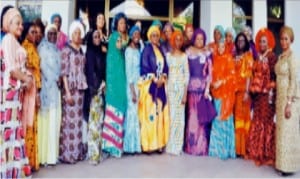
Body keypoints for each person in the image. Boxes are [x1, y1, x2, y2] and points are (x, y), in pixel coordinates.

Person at [1, 7, 32, 178]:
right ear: (8, 24)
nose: (21, 26)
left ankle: (14, 171)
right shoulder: (8, 39)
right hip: (10, 92)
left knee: (14, 132)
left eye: (21, 23)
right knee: (10, 132)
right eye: (17, 23)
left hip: (15, 93)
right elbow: (12, 69)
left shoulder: (14, 40)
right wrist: (26, 79)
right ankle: (9, 172)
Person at [246, 28, 277, 166]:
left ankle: (266, 153)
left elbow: (274, 76)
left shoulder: (272, 57)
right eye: (260, 41)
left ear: (269, 42)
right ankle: (256, 151)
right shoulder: (258, 56)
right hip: (257, 96)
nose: (262, 43)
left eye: (264, 41)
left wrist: (270, 90)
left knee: (266, 122)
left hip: (267, 95)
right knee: (257, 120)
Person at [59, 20, 87, 164]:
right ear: (71, 34)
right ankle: (68, 155)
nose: (77, 35)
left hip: (80, 89)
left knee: (78, 123)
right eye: (75, 33)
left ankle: (77, 153)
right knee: (69, 122)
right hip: (70, 89)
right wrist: (67, 92)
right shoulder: (66, 50)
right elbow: (63, 73)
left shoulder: (81, 50)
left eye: (79, 33)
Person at [184, 28, 216, 156]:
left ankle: (201, 148)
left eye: (201, 39)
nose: (199, 41)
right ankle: (191, 147)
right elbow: (185, 72)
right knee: (192, 118)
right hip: (191, 90)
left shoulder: (207, 53)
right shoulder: (188, 52)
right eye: (197, 38)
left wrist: (207, 89)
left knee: (202, 119)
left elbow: (210, 73)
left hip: (203, 91)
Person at [138, 25, 170, 153]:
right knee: (151, 115)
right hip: (150, 86)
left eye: (157, 35)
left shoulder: (161, 49)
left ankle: (159, 143)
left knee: (160, 114)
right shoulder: (146, 50)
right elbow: (144, 68)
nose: (156, 37)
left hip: (161, 85)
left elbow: (166, 67)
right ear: (150, 37)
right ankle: (149, 145)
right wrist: (154, 79)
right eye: (153, 35)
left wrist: (163, 78)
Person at [101, 13, 128, 158]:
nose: (122, 26)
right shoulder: (116, 37)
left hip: (120, 77)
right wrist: (124, 42)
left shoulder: (119, 37)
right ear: (116, 24)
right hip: (114, 79)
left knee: (118, 109)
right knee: (114, 109)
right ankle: (113, 147)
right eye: (120, 23)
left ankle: (115, 146)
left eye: (124, 23)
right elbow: (119, 45)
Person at [274, 26, 300, 176]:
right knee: (281, 132)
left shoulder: (292, 57)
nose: (283, 42)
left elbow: (294, 81)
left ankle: (289, 166)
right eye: (282, 39)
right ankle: (281, 164)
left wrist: (289, 103)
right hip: (280, 97)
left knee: (288, 132)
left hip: (289, 99)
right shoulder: (281, 56)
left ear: (291, 40)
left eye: (286, 39)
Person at [37, 24, 62, 165]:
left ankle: (53, 157)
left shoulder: (56, 49)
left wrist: (59, 78)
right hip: (47, 91)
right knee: (47, 124)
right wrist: (56, 77)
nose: (52, 36)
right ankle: (45, 157)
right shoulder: (43, 49)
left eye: (54, 34)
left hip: (56, 91)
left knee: (55, 122)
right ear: (46, 35)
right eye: (50, 33)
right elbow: (44, 69)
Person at [208, 39, 236, 160]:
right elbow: (211, 74)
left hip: (226, 95)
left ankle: (225, 150)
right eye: (218, 47)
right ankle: (216, 150)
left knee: (224, 121)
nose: (220, 49)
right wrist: (213, 84)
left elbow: (232, 76)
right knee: (217, 121)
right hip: (217, 95)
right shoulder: (215, 59)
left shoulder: (229, 59)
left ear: (226, 47)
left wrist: (222, 82)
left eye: (222, 47)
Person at [21, 22, 41, 171]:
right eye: (32, 32)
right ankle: (26, 161)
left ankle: (30, 161)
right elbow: (29, 71)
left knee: (32, 123)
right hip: (29, 90)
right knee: (27, 123)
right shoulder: (25, 47)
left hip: (33, 88)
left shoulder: (32, 46)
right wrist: (38, 92)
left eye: (36, 32)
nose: (35, 35)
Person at [165, 31, 189, 155]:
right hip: (170, 89)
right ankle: (170, 145)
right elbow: (166, 74)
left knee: (180, 119)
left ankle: (178, 146)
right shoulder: (168, 56)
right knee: (171, 117)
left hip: (180, 89)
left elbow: (187, 76)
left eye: (180, 40)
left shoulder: (184, 56)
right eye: (176, 39)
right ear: (172, 40)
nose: (178, 42)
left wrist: (185, 94)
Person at [84, 29, 106, 164]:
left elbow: (102, 70)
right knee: (94, 124)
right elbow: (90, 72)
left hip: (100, 90)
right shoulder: (90, 52)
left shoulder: (100, 52)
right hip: (94, 92)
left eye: (99, 37)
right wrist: (97, 88)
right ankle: (93, 155)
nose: (97, 39)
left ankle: (96, 152)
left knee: (98, 123)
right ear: (91, 39)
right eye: (95, 37)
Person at [233, 32, 253, 157]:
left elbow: (248, 76)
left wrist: (247, 92)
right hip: (235, 93)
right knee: (237, 119)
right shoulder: (235, 56)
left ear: (246, 42)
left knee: (244, 120)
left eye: (243, 40)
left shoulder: (248, 56)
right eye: (238, 40)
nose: (240, 42)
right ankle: (237, 148)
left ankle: (244, 149)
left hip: (244, 92)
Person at [123, 25, 142, 153]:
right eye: (134, 34)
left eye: (138, 34)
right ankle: (129, 146)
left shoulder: (138, 50)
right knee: (131, 115)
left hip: (139, 85)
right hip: (131, 87)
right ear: (130, 36)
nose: (136, 36)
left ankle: (136, 145)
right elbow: (129, 72)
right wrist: (133, 92)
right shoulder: (128, 51)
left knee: (137, 115)